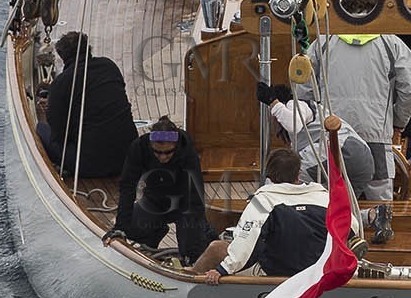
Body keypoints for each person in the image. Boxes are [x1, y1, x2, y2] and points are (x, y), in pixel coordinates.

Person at [306, 0, 411, 244]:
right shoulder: (391, 43)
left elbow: (303, 83)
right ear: (374, 9)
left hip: (332, 132)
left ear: (343, 8)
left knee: (328, 186)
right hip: (375, 132)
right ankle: (381, 227)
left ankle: (333, 237)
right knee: (379, 188)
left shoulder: (323, 42)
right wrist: (399, 122)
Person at [186, 148, 350, 283]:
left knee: (216, 248)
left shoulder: (262, 202)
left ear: (269, 175)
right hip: (321, 272)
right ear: (298, 173)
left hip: (277, 275)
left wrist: (223, 269)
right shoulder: (324, 197)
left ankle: (186, 284)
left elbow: (246, 240)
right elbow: (352, 228)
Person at [105, 116, 213, 260]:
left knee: (192, 250)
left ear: (176, 146)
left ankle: (206, 233)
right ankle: (155, 233)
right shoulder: (139, 147)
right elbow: (127, 186)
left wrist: (194, 233)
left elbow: (195, 196)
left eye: (168, 152)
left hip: (184, 204)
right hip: (154, 201)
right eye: (157, 152)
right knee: (128, 227)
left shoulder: (187, 152)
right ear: (150, 145)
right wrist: (120, 228)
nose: (162, 157)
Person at [40, 32, 139, 178]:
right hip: (128, 157)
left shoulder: (61, 83)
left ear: (62, 56)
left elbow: (58, 133)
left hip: (90, 165)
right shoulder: (109, 66)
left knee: (41, 129)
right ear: (88, 49)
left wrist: (49, 108)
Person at [257, 81, 374, 199]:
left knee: (284, 173)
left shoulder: (295, 104)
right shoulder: (312, 117)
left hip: (342, 150)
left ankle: (265, 200)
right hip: (364, 159)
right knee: (341, 204)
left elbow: (294, 124)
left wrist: (273, 103)